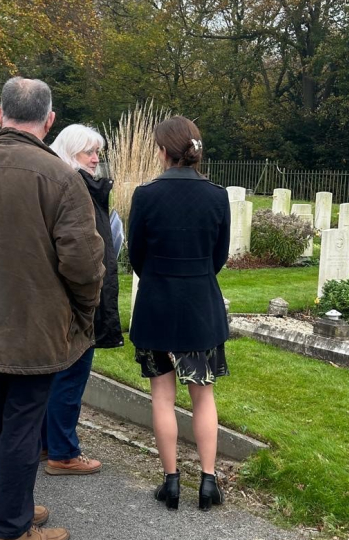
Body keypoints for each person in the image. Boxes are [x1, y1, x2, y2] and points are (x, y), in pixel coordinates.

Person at [0, 77, 104, 540]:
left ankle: (2, 512)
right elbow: (84, 264)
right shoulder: (62, 177)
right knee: (22, 424)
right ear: (49, 121)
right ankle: (11, 526)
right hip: (38, 322)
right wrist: (83, 312)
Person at [127, 116, 230, 511]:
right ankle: (208, 482)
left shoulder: (145, 194)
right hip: (200, 306)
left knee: (162, 398)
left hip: (157, 306)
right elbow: (218, 256)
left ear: (163, 151)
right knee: (203, 397)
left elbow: (136, 254)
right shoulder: (217, 196)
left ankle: (171, 482)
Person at [41, 125, 123, 475]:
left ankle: (48, 443)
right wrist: (89, 297)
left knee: (58, 375)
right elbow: (82, 254)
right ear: (69, 151)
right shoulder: (75, 189)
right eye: (88, 152)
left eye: (97, 153)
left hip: (63, 297)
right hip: (77, 299)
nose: (95, 159)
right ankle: (63, 452)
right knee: (70, 376)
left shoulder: (62, 183)